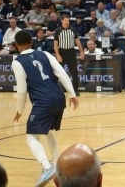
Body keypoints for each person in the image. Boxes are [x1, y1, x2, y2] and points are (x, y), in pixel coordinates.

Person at [11, 30, 79, 187]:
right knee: (47, 132)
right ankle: (57, 164)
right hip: (58, 97)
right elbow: (62, 73)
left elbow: (21, 90)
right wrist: (72, 94)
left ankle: (47, 167)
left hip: (43, 101)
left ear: (16, 45)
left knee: (31, 137)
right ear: (32, 41)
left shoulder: (18, 61)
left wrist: (19, 110)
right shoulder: (46, 55)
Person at [54, 15, 85, 96]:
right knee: (58, 72)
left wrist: (81, 52)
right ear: (62, 21)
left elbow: (77, 41)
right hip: (62, 52)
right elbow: (55, 45)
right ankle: (53, 88)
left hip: (71, 52)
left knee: (74, 72)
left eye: (68, 21)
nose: (67, 22)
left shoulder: (73, 30)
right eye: (65, 21)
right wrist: (57, 55)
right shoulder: (58, 31)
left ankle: (75, 90)